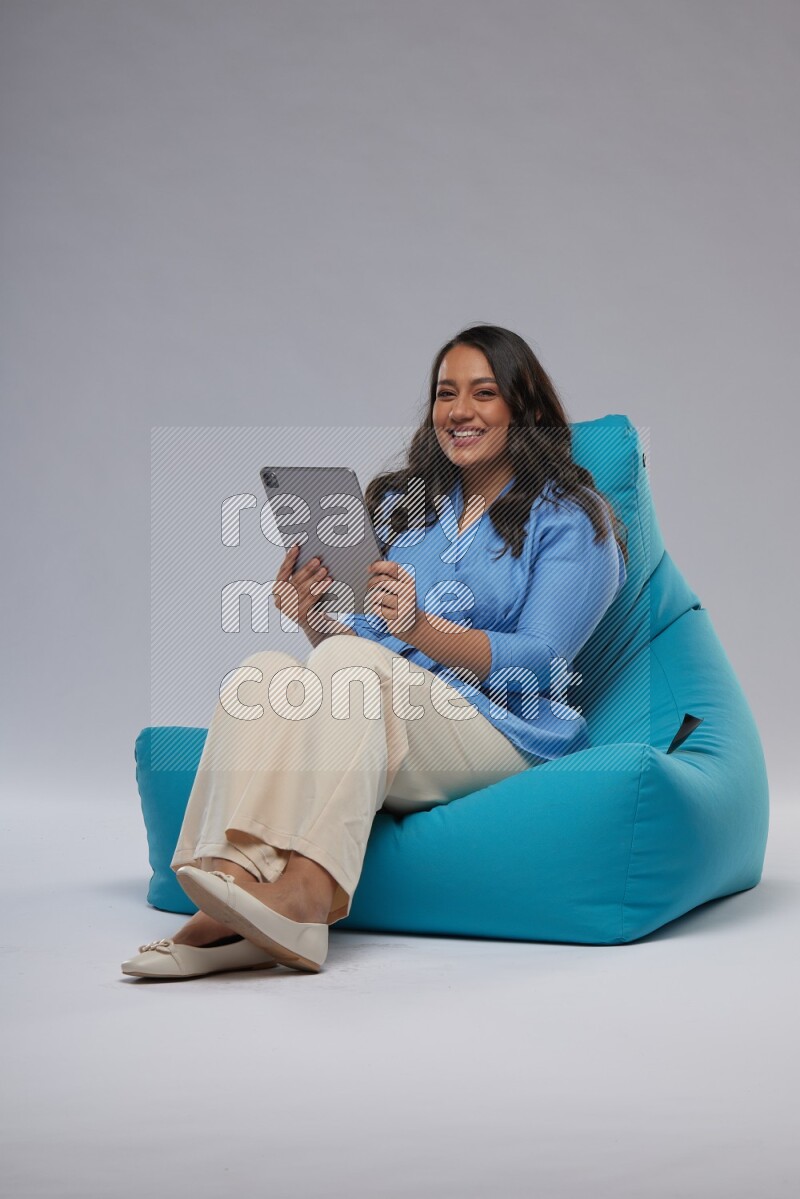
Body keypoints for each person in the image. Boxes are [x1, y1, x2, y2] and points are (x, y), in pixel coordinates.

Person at [122, 323, 628, 980]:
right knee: (265, 673)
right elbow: (363, 656)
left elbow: (544, 662)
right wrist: (312, 619)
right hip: (391, 715)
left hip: (507, 732)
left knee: (350, 669)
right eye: (446, 393)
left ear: (524, 409)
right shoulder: (404, 507)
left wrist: (421, 629)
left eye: (484, 393)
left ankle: (306, 892)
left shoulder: (573, 518)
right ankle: (229, 885)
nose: (459, 411)